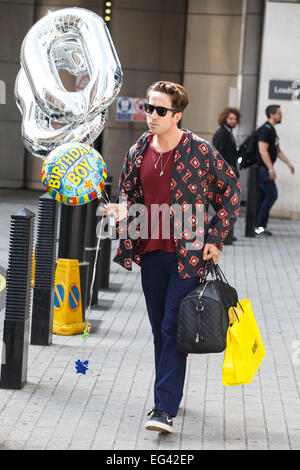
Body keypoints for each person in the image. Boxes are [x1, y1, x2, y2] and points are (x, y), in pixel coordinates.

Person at [102, 81, 241, 433]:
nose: (151, 115)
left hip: (188, 256)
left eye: (160, 110)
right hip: (151, 254)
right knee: (160, 332)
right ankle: (171, 393)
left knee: (171, 327)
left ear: (177, 115)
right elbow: (131, 197)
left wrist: (216, 237)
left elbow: (230, 190)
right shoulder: (137, 152)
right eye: (148, 108)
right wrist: (122, 214)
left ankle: (163, 409)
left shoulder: (200, 151)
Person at [255, 104, 295, 236]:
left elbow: (277, 151)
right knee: (272, 195)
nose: (281, 115)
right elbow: (262, 150)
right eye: (279, 113)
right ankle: (259, 226)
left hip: (265, 168)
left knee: (263, 197)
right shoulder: (265, 130)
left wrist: (288, 163)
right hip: (263, 169)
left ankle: (258, 226)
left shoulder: (272, 130)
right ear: (271, 115)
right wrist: (271, 169)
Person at [212, 107, 241, 244]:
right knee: (226, 206)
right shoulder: (222, 133)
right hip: (224, 175)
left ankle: (226, 235)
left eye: (235, 119)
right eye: (230, 118)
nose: (233, 121)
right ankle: (222, 235)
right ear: (225, 119)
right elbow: (218, 155)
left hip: (229, 174)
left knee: (229, 205)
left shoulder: (228, 133)